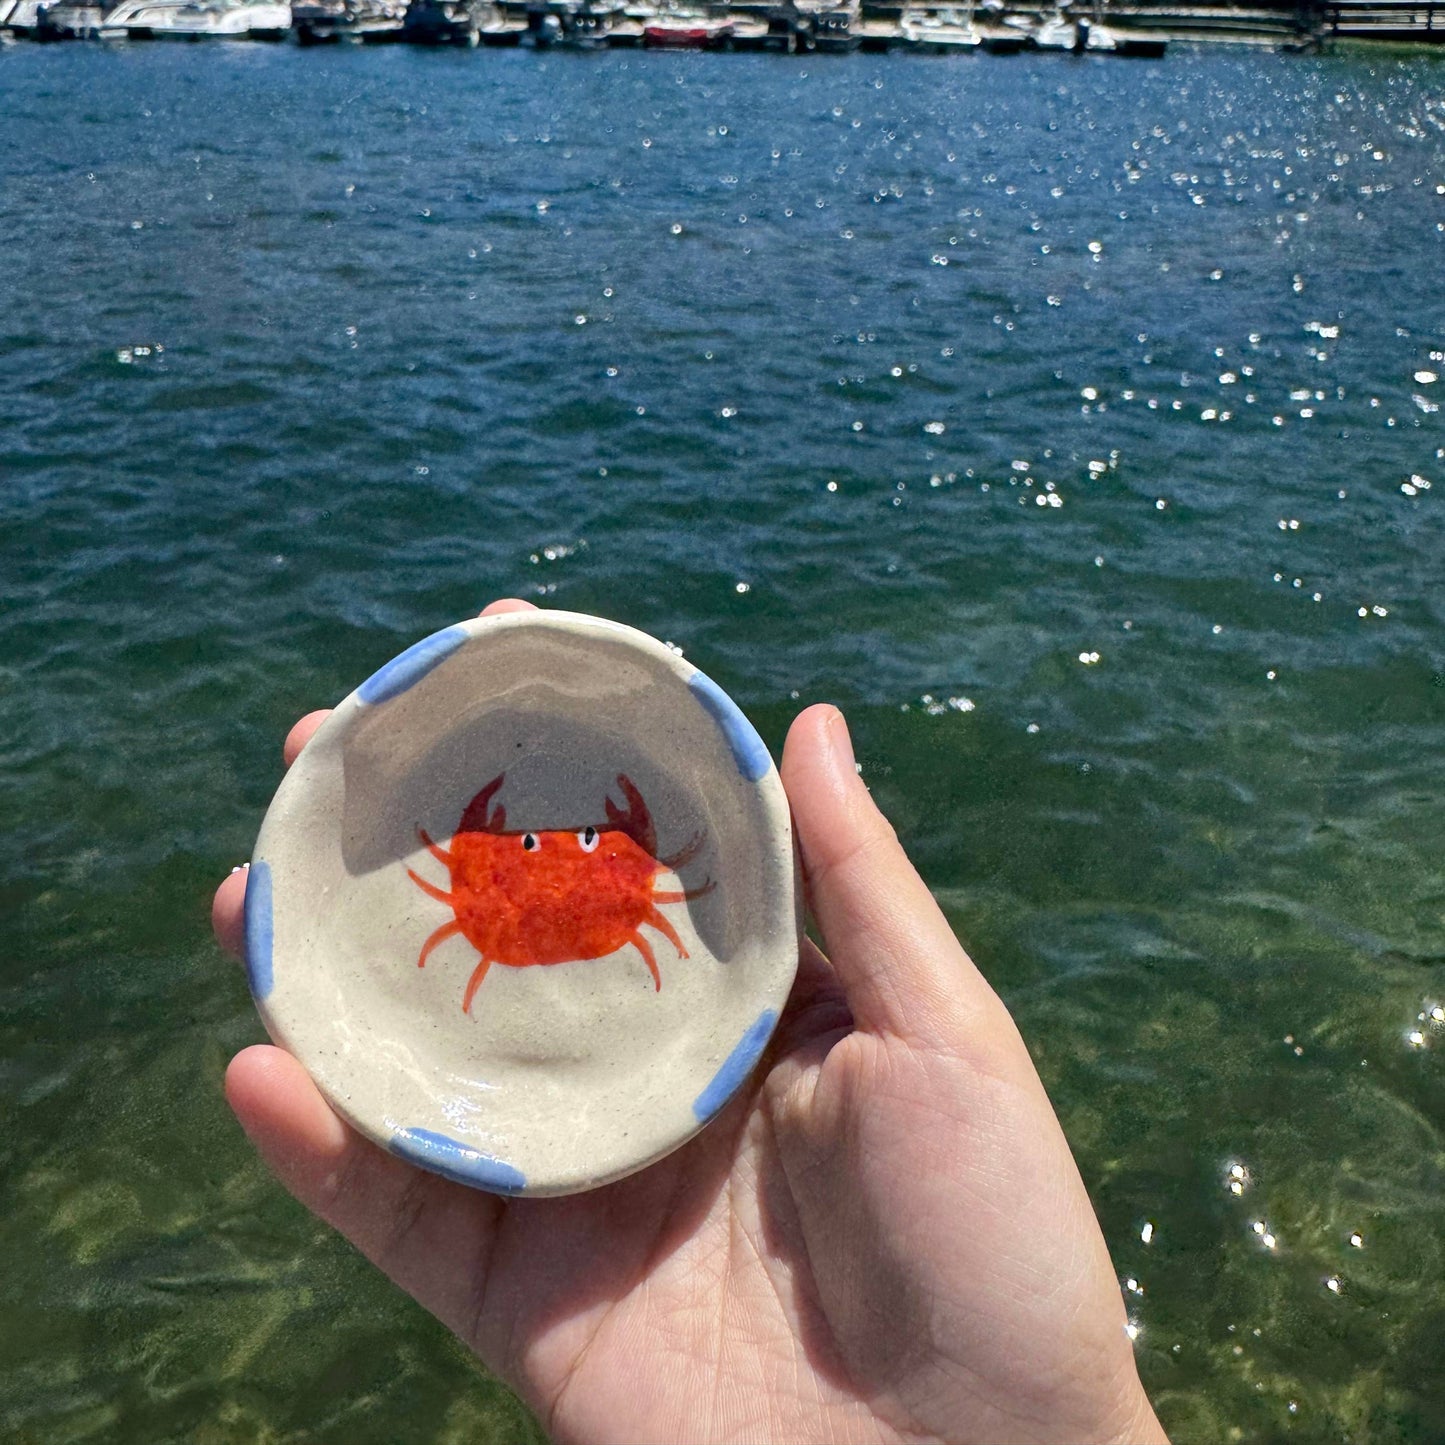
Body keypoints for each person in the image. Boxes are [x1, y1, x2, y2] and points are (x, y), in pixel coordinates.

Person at [211, 598, 1168, 1445]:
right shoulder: (645, 884)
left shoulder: (468, 884)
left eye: (588, 840)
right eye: (533, 843)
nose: (559, 858)